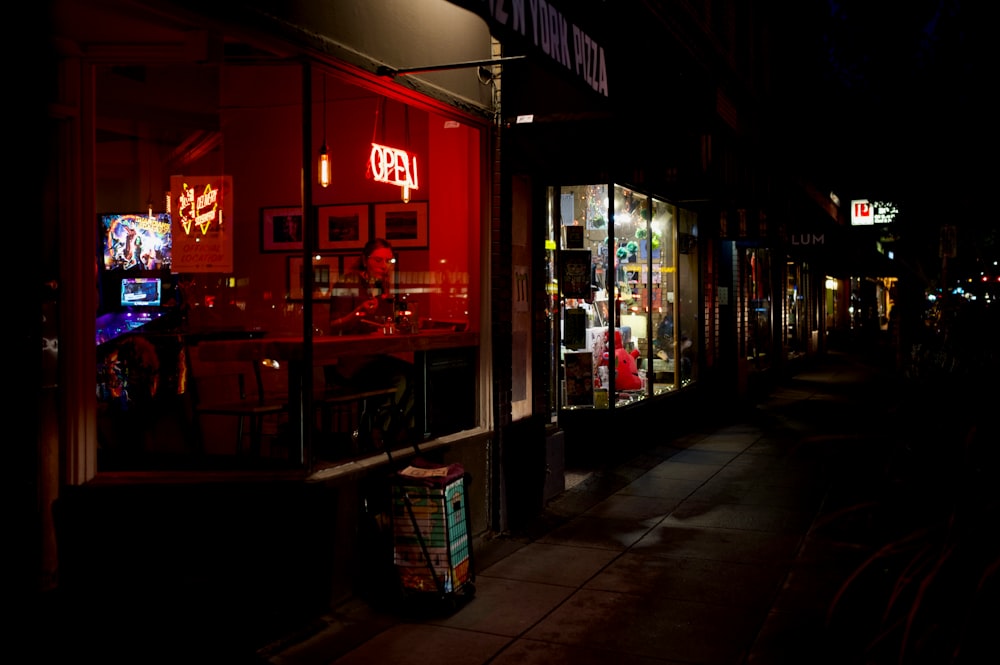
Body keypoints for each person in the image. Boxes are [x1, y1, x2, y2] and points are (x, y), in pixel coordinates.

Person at [327, 238, 414, 444]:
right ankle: (384, 432)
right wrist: (357, 314)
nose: (384, 266)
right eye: (378, 260)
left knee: (415, 374)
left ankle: (389, 431)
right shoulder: (348, 282)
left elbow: (382, 324)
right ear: (365, 260)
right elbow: (334, 325)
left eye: (388, 261)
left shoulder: (383, 287)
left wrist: (394, 326)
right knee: (404, 378)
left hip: (377, 358)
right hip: (354, 362)